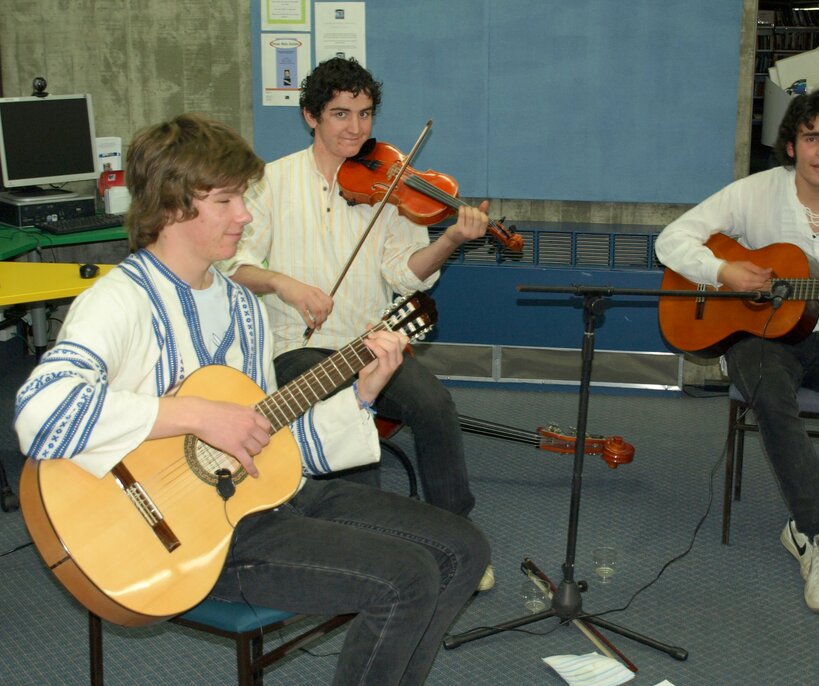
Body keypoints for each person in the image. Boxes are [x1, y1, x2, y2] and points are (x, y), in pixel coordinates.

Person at [14, 113, 489, 685]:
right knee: (408, 576)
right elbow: (40, 415)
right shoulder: (118, 302)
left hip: (264, 499)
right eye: (226, 200)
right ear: (170, 207)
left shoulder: (243, 308)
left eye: (243, 197)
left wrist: (360, 396)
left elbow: (270, 439)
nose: (245, 214)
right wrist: (196, 415)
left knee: (464, 547)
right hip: (187, 537)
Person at [218, 57, 496, 589]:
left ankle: (458, 535)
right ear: (310, 117)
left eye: (365, 114)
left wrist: (451, 240)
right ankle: (361, 555)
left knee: (434, 406)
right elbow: (234, 266)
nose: (356, 128)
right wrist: (286, 284)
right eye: (341, 114)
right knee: (340, 424)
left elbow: (407, 273)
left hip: (372, 344)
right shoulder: (268, 183)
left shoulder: (389, 188)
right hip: (294, 345)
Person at [655, 84, 819, 614]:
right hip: (758, 335)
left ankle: (804, 524)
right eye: (811, 136)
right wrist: (724, 270)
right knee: (772, 395)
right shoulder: (756, 191)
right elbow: (671, 240)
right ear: (792, 144)